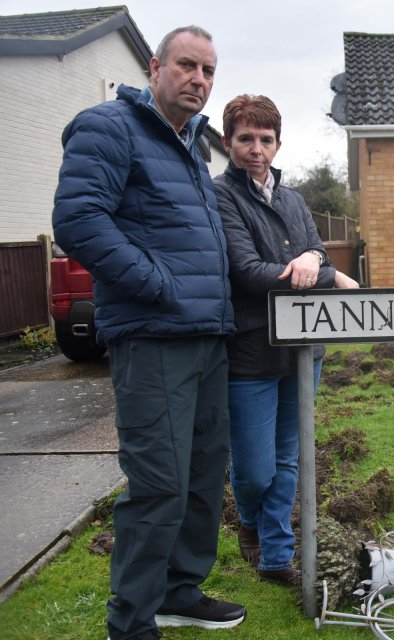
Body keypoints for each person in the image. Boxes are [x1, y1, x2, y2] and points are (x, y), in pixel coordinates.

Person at [52, 26, 245, 640]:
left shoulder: (192, 145)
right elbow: (78, 219)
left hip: (207, 335)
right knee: (160, 483)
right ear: (156, 66)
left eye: (209, 71)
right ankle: (131, 621)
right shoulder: (109, 127)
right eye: (188, 66)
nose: (199, 80)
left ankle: (179, 591)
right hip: (154, 335)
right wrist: (156, 282)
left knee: (203, 476)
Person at [214, 94, 359, 586]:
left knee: (288, 458)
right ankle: (250, 522)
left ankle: (276, 557)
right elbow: (247, 273)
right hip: (251, 351)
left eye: (266, 139)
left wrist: (315, 261)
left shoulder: (294, 199)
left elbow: (317, 249)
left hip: (304, 349)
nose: (257, 149)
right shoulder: (220, 196)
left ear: (278, 143)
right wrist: (320, 272)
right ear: (227, 141)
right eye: (246, 139)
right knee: (254, 469)